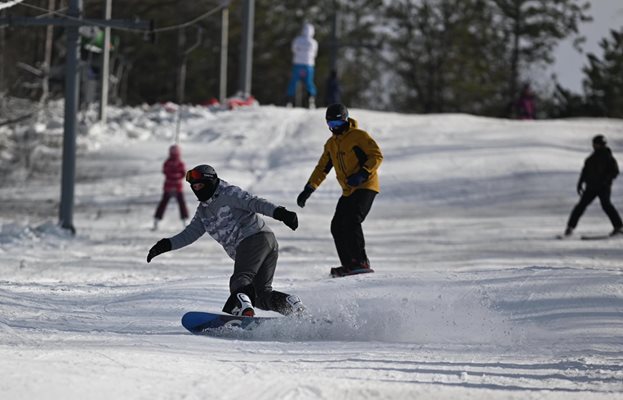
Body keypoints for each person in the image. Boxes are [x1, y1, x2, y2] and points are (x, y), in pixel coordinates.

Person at [147, 164, 304, 317]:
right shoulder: (203, 211)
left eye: (200, 185)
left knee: (240, 280)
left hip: (253, 238)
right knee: (260, 295)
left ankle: (242, 311)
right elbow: (189, 234)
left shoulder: (228, 193)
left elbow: (254, 202)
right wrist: (164, 245)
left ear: (210, 182)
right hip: (266, 244)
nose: (197, 190)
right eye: (194, 187)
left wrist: (280, 213)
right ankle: (290, 304)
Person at [296, 103, 383, 277]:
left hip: (366, 185)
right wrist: (309, 189)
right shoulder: (331, 145)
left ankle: (361, 261)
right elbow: (322, 168)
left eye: (338, 124)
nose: (335, 129)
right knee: (337, 225)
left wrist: (363, 173)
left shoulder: (359, 136)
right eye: (331, 125)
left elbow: (376, 155)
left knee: (352, 219)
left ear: (345, 120)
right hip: (349, 190)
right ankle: (349, 264)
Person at [564, 135, 623, 237]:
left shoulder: (608, 157)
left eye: (596, 144)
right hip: (591, 187)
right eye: (594, 144)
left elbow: (615, 171)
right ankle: (570, 227)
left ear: (601, 144)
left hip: (603, 187)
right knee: (580, 206)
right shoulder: (591, 158)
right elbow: (585, 171)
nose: (594, 146)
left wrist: (606, 180)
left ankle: (618, 227)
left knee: (606, 205)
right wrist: (580, 182)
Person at [153, 144, 189, 231]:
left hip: (177, 187)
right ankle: (156, 221)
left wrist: (176, 176)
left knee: (181, 204)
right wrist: (175, 176)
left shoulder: (180, 163)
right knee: (163, 204)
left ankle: (185, 221)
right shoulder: (168, 163)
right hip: (169, 187)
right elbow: (166, 172)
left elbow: (183, 173)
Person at [286, 22, 318, 109]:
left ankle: (290, 101)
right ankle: (311, 100)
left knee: (293, 82)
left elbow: (294, 50)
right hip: (309, 65)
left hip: (298, 64)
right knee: (309, 83)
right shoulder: (314, 42)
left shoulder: (297, 40)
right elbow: (315, 54)